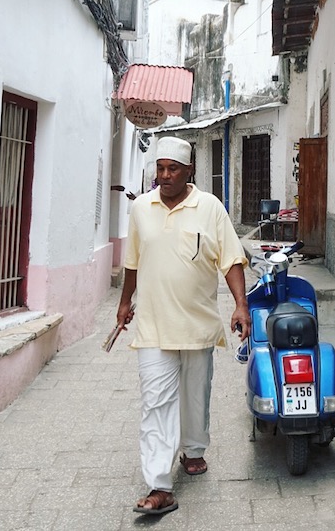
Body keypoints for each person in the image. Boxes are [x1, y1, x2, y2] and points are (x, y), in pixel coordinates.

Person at [116, 136, 251, 516]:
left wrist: (241, 305)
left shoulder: (209, 208)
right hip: (154, 326)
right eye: (159, 168)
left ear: (189, 170)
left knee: (195, 395)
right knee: (155, 402)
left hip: (197, 325)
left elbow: (231, 260)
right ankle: (159, 485)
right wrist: (125, 302)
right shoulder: (142, 208)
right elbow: (133, 260)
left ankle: (193, 449)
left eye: (172, 169)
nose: (165, 176)